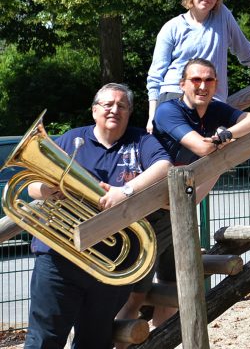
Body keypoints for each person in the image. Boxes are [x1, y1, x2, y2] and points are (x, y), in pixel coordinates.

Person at [118, 58, 250, 331]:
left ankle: (163, 342)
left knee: (172, 289)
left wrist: (226, 134)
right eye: (196, 80)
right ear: (182, 84)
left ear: (216, 84)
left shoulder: (215, 110)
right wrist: (220, 142)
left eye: (209, 80)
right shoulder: (167, 111)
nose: (202, 86)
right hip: (148, 209)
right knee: (133, 296)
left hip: (179, 205)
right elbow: (201, 148)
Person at [24, 83, 173, 349]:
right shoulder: (71, 140)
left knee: (94, 341)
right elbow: (31, 186)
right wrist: (47, 189)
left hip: (110, 264)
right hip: (59, 257)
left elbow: (165, 166)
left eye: (122, 106)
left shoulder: (141, 142)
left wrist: (125, 191)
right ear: (94, 111)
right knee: (44, 340)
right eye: (107, 105)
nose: (114, 109)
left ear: (129, 113)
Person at [146, 0, 250, 133]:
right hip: (174, 95)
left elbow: (242, 47)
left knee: (211, 148)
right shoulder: (172, 27)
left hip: (211, 99)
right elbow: (155, 75)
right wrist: (152, 116)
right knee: (182, 152)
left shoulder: (222, 16)